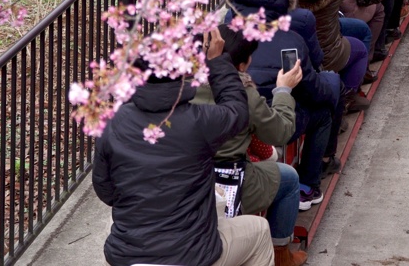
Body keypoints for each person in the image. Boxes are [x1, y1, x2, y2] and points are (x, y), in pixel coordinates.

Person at [92, 29, 276, 266]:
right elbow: (238, 112)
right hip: (192, 255)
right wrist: (218, 61)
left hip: (127, 256)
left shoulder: (112, 123)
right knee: (259, 231)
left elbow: (105, 190)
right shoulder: (198, 120)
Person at [224, 0, 343, 210]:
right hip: (267, 124)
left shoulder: (225, 30)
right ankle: (309, 185)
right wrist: (331, 86)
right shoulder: (291, 39)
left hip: (230, 128)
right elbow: (313, 89)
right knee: (323, 110)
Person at [192, 26, 308, 266]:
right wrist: (284, 90)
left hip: (185, 177)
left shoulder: (180, 85)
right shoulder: (243, 92)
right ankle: (281, 254)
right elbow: (281, 132)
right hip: (228, 179)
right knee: (289, 179)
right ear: (242, 65)